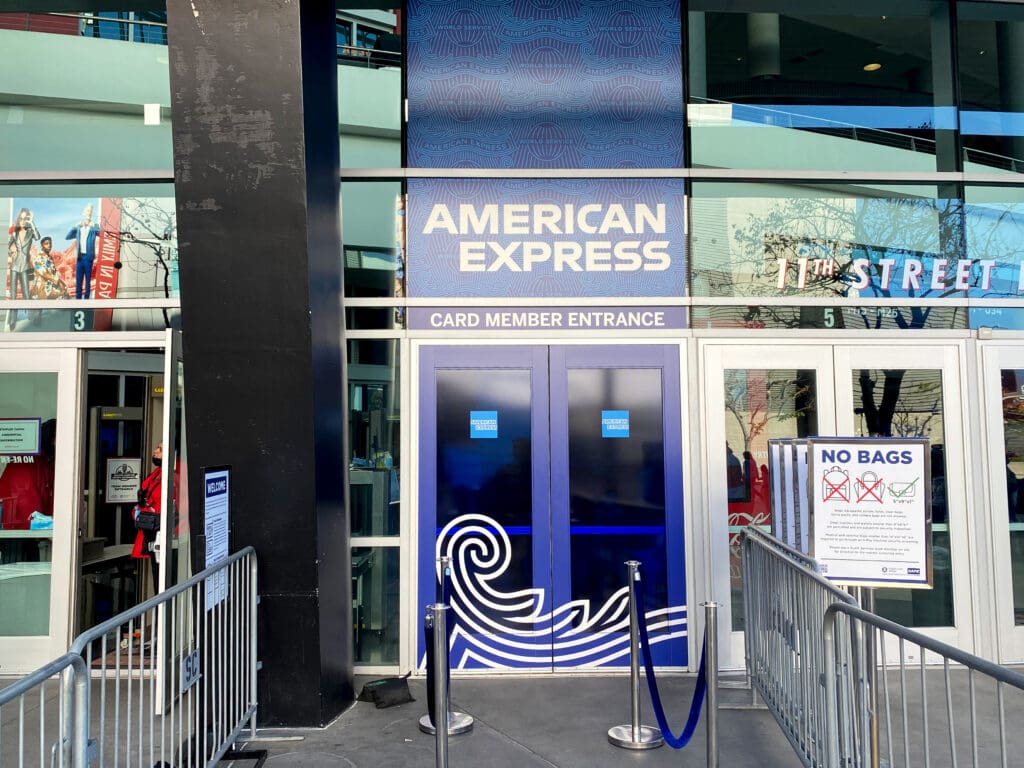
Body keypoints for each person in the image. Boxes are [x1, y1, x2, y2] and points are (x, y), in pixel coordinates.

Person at [7, 207, 40, 329]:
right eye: (20, 218)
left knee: (26, 294)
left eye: (25, 218)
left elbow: (38, 237)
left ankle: (32, 317)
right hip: (15, 266)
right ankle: (12, 321)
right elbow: (7, 246)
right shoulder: (14, 233)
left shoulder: (30, 232)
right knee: (13, 295)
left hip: (25, 266)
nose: (22, 221)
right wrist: (11, 253)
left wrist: (32, 222)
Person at [65, 204, 100, 299]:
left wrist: (94, 227)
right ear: (84, 213)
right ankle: (78, 299)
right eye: (87, 211)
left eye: (90, 211)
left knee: (88, 280)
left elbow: (101, 234)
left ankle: (87, 300)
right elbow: (67, 237)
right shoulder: (79, 227)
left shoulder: (94, 226)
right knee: (79, 280)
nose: (89, 213)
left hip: (88, 258)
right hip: (80, 258)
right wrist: (75, 226)